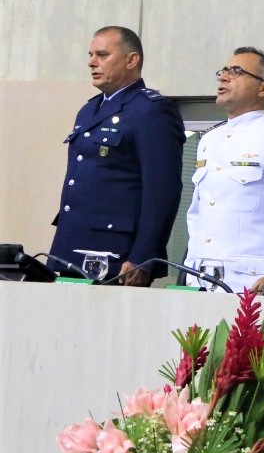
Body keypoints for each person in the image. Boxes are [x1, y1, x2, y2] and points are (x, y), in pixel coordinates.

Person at [48, 26, 185, 285]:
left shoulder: (151, 111)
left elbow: (162, 191)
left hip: (116, 254)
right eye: (90, 55)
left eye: (102, 55)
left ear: (132, 60)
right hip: (73, 244)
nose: (91, 62)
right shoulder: (89, 110)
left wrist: (143, 256)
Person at [183, 47, 264, 292]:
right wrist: (191, 266)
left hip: (251, 282)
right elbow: (197, 212)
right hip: (200, 280)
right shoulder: (209, 139)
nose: (224, 77)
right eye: (223, 71)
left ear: (263, 88)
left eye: (236, 72)